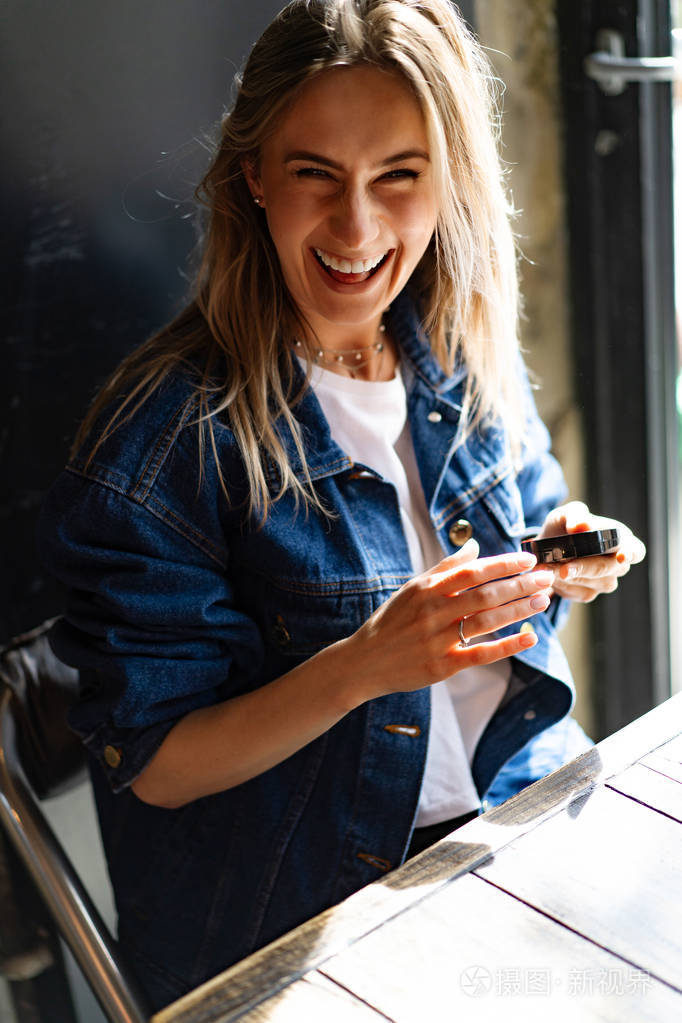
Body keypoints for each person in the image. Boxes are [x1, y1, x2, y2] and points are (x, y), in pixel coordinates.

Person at [39, 0, 645, 1011]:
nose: (356, 228)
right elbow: (159, 766)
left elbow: (531, 536)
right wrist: (367, 664)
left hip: (510, 826)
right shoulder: (165, 442)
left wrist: (561, 558)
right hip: (317, 918)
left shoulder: (459, 348)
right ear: (255, 177)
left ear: (446, 182)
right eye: (315, 173)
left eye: (397, 177)